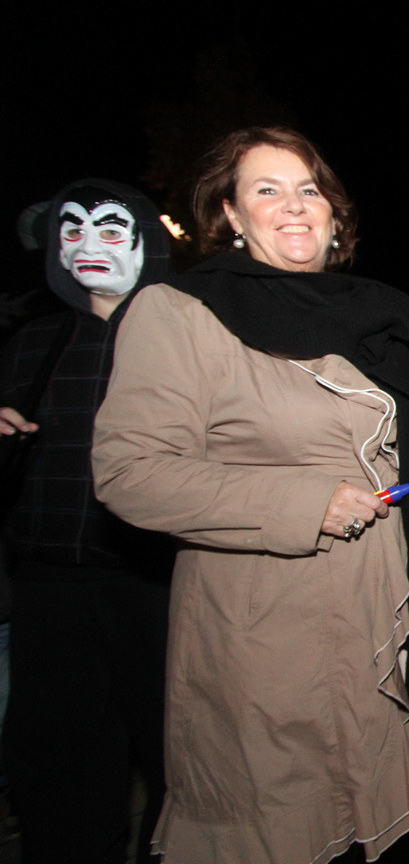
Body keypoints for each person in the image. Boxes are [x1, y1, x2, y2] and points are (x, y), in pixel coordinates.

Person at [91, 128, 409, 863]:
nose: (294, 206)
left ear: (334, 215)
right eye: (267, 190)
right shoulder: (180, 312)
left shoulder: (373, 311)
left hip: (386, 616)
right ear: (231, 214)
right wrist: (304, 504)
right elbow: (128, 471)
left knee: (376, 833)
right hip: (269, 637)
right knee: (288, 827)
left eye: (309, 190)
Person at [1, 180, 174, 864]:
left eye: (110, 228)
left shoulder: (186, 339)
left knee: (175, 755)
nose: (88, 244)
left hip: (155, 581)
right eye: (71, 229)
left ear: (144, 243)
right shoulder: (32, 344)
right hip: (50, 587)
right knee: (58, 764)